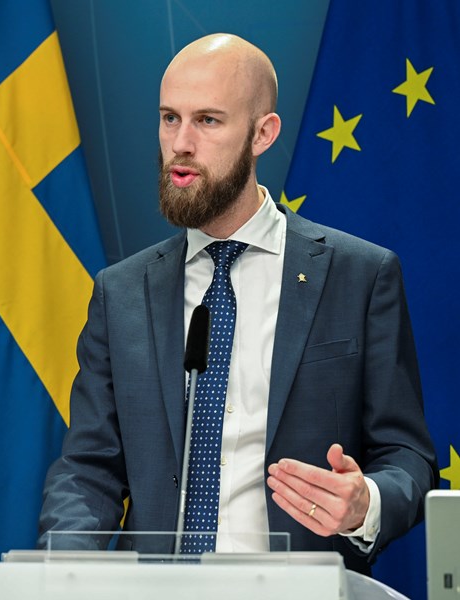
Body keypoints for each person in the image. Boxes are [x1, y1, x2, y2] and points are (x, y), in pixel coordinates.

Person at [38, 33, 437, 573]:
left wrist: (366, 503)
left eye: (207, 120)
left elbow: (407, 458)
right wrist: (62, 568)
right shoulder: (121, 292)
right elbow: (88, 469)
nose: (180, 143)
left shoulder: (359, 276)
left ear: (262, 134)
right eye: (169, 118)